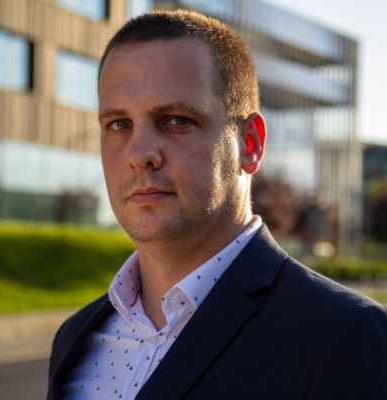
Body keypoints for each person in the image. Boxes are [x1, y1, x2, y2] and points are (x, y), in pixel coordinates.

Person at [47, 9, 387, 400]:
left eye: (176, 120)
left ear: (250, 144)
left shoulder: (344, 335)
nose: (139, 154)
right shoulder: (75, 338)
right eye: (119, 124)